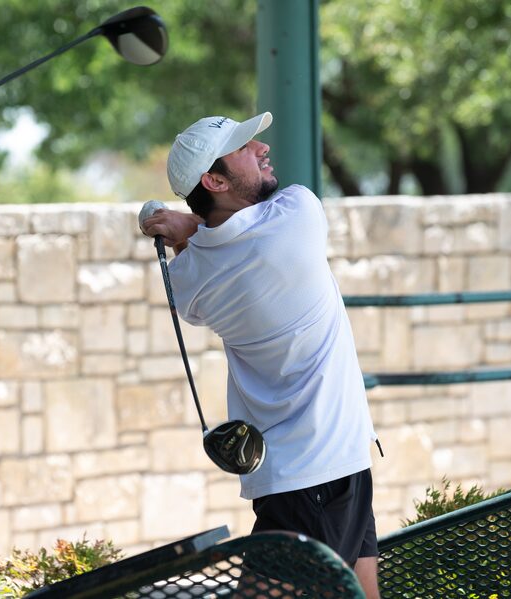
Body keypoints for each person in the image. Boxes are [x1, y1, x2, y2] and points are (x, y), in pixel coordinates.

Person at [140, 112, 380, 598]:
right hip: (329, 467)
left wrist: (191, 226)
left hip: (304, 474)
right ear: (214, 179)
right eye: (245, 147)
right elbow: (228, 233)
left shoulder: (187, 287)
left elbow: (208, 247)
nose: (262, 148)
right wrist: (189, 226)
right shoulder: (299, 215)